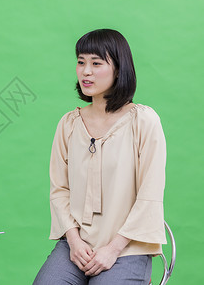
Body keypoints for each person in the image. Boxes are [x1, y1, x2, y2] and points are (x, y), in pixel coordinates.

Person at [34, 29, 167, 284]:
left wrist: (113, 249)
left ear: (119, 69)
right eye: (81, 62)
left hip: (128, 248)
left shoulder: (143, 121)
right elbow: (59, 190)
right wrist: (73, 241)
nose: (86, 71)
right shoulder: (69, 124)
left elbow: (150, 195)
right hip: (76, 245)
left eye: (97, 63)